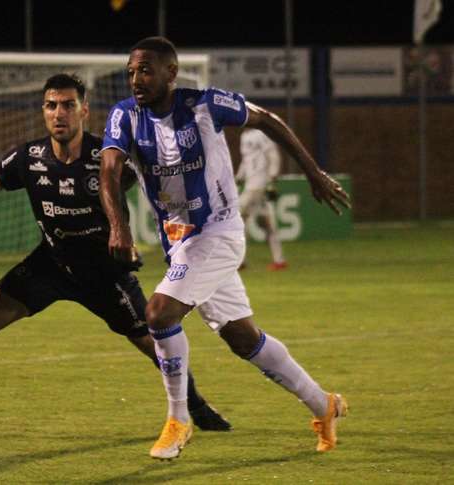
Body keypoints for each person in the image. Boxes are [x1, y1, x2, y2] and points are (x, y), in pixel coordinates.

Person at [0, 73, 230, 432]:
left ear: (84, 111)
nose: (58, 113)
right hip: (52, 263)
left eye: (67, 105)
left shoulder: (108, 155)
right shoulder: (28, 158)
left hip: (104, 273)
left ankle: (197, 406)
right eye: (51, 106)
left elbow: (157, 183)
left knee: (156, 343)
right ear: (44, 112)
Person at [99, 37, 351, 460]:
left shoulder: (204, 104)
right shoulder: (125, 115)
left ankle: (179, 420)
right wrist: (117, 225)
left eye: (145, 70)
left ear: (170, 73)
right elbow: (110, 170)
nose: (135, 79)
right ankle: (321, 404)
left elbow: (269, 119)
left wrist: (313, 172)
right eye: (130, 71)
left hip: (219, 231)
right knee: (242, 337)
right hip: (180, 242)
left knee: (159, 312)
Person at [236, 128, 286, 271]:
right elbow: (246, 161)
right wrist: (240, 177)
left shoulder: (262, 133)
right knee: (267, 222)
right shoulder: (244, 136)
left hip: (257, 185)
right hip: (252, 184)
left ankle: (239, 261)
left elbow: (273, 155)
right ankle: (279, 260)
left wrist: (272, 178)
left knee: (237, 220)